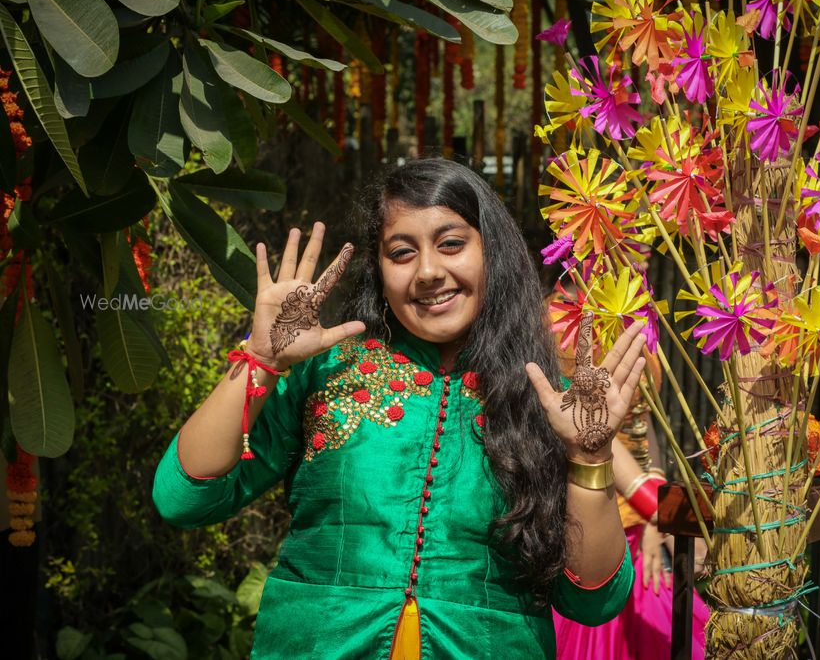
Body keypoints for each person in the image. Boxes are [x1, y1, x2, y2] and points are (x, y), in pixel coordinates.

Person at [153, 158, 649, 658]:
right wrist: (260, 361)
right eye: (401, 252)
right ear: (380, 270)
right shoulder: (326, 373)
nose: (429, 272)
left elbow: (594, 601)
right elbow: (184, 498)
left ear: (492, 253)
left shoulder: (550, 400)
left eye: (451, 244)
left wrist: (589, 456)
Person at [545, 290, 710, 659]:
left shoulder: (632, 311)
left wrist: (657, 522)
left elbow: (641, 432)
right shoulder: (555, 320)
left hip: (639, 539)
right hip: (588, 537)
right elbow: (596, 439)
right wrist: (678, 517)